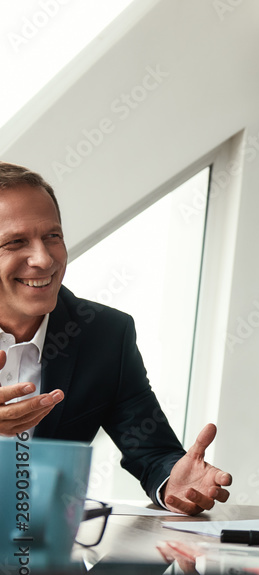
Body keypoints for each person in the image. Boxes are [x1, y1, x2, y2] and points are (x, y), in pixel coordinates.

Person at [0, 162, 231, 515]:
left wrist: (173, 481)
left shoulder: (104, 335)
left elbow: (152, 451)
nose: (44, 259)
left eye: (52, 237)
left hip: (42, 553)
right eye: (16, 242)